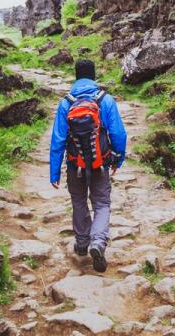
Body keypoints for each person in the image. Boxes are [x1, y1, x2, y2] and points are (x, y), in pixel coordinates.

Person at [49, 59, 127, 272]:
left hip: (76, 165)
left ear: (76, 76)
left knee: (79, 201)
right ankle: (98, 242)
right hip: (100, 163)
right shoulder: (105, 100)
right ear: (93, 76)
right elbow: (118, 133)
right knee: (101, 203)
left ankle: (82, 243)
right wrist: (118, 158)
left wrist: (54, 172)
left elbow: (57, 140)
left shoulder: (66, 102)